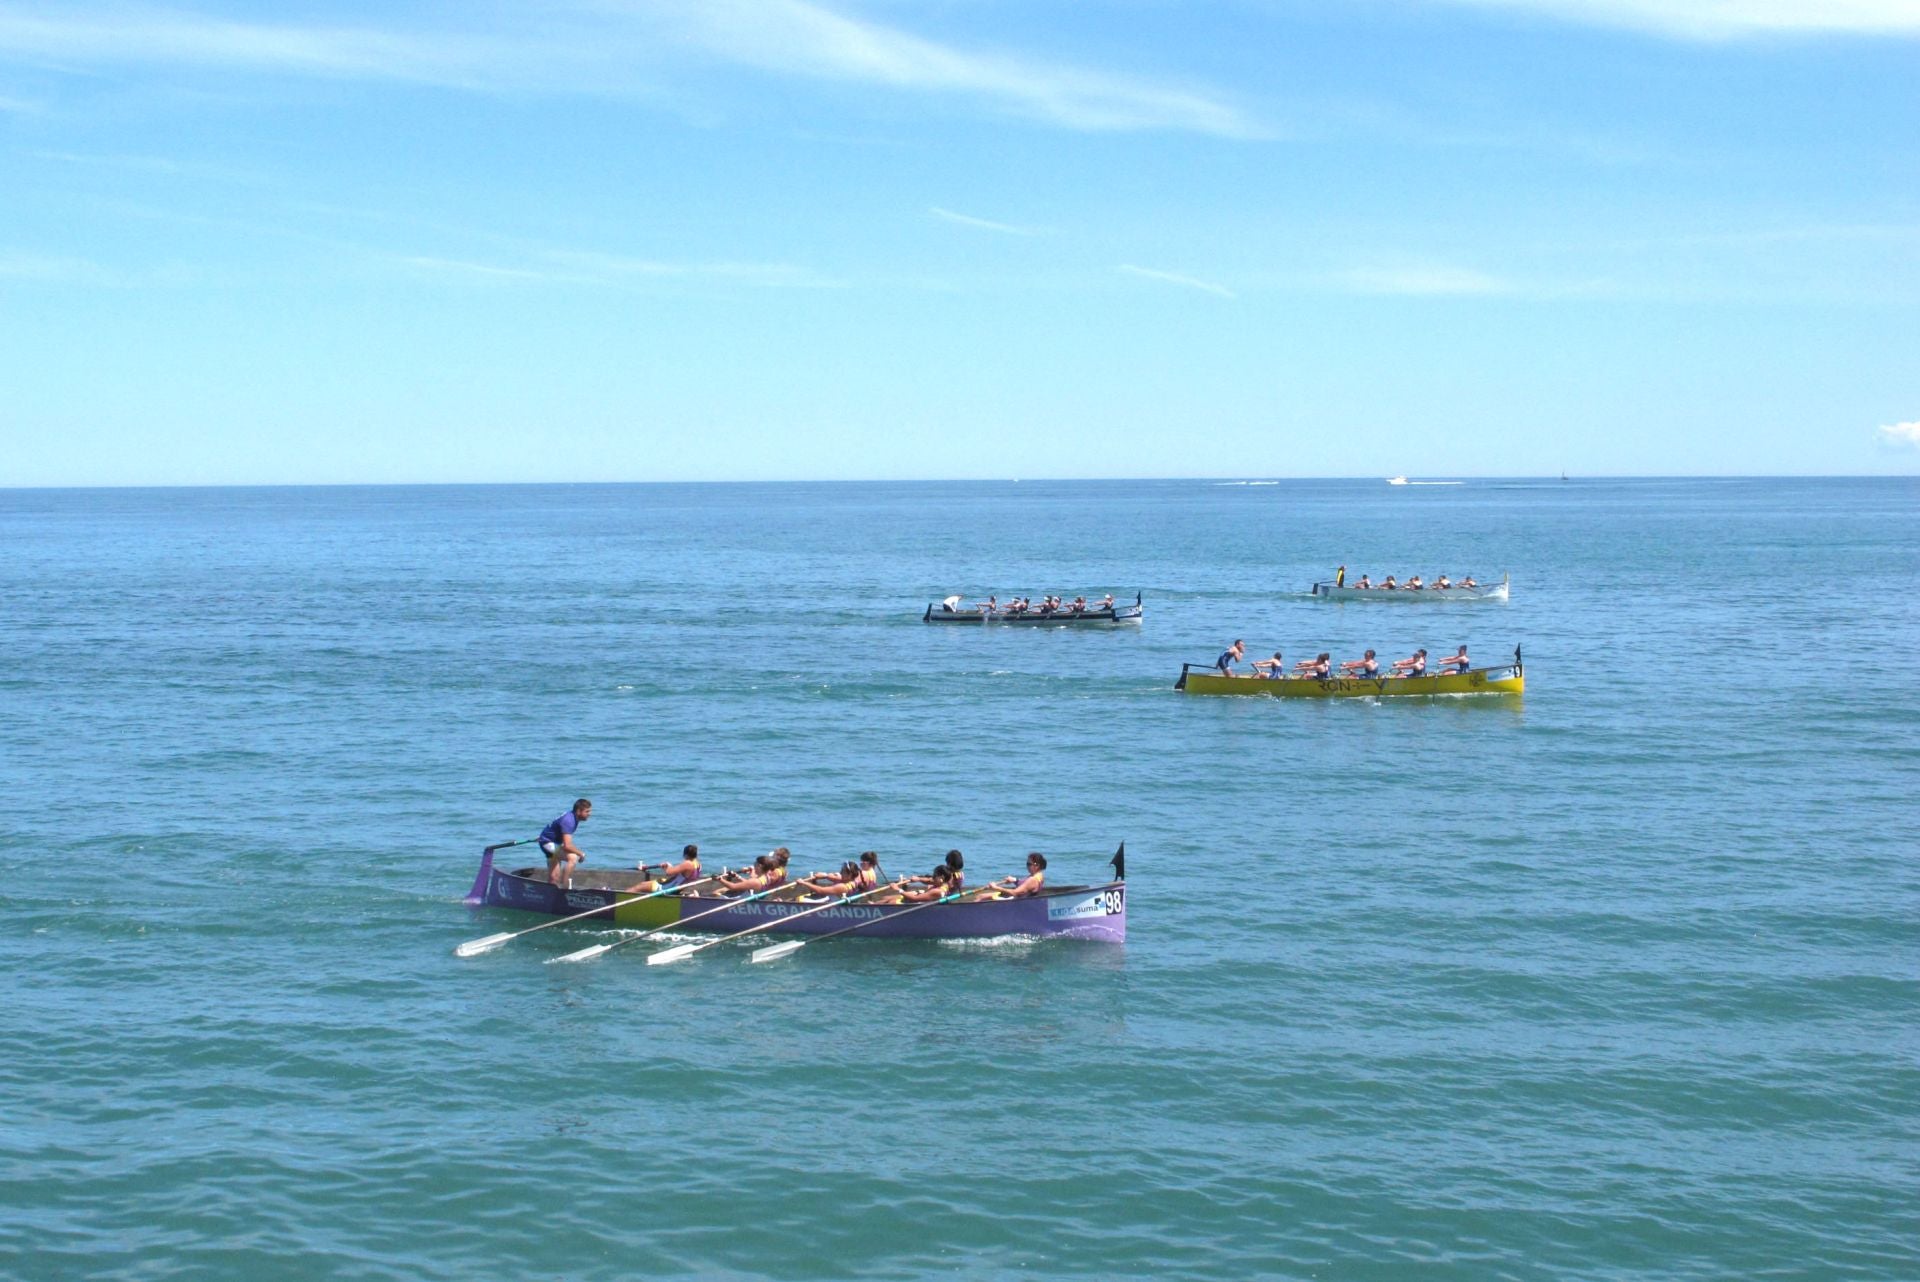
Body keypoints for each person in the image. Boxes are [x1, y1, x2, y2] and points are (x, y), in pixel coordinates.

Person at [539, 798, 591, 889]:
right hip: (548, 844)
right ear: (579, 811)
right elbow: (567, 846)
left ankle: (550, 895)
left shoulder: (572, 817)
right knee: (573, 857)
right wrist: (581, 854)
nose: (589, 814)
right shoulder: (569, 821)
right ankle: (565, 887)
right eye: (587, 811)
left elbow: (555, 828)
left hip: (550, 842)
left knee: (554, 877)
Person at [633, 843, 702, 894]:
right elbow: (682, 875)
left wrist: (667, 865)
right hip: (678, 888)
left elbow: (669, 872)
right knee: (658, 880)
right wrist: (668, 866)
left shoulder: (687, 864)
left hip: (669, 888)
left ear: (685, 855)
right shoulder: (698, 864)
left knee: (640, 886)